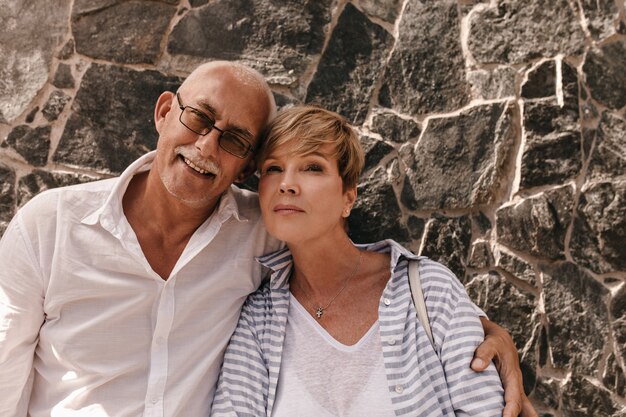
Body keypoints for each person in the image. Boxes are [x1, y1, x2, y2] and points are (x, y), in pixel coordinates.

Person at [0, 61, 535, 417]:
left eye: (233, 140)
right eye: (198, 118)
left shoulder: (265, 230)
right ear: (165, 112)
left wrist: (477, 330)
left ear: (244, 166)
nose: (207, 147)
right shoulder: (49, 227)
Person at [211, 105, 507, 416]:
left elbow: (484, 410)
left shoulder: (429, 291)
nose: (286, 183)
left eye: (312, 167)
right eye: (273, 168)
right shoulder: (258, 319)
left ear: (348, 198)